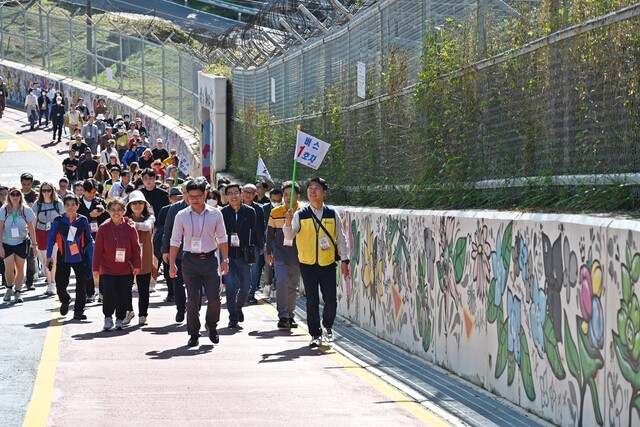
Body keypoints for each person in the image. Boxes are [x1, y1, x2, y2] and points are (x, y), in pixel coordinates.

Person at [283, 177, 350, 347]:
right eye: (310, 188)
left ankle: (327, 325)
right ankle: (315, 334)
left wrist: (345, 260)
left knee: (331, 301)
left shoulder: (332, 213)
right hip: (307, 263)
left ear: (324, 192)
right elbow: (289, 237)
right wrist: (288, 223)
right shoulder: (300, 214)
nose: (313, 191)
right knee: (311, 300)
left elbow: (341, 239)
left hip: (327, 264)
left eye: (317, 188)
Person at [169, 177, 228, 347]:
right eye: (192, 196)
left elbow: (222, 238)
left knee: (214, 298)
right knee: (193, 300)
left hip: (210, 260)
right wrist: (172, 263)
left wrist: (225, 260)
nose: (195, 200)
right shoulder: (181, 215)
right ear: (187, 196)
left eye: (199, 196)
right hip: (189, 261)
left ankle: (211, 325)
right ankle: (193, 333)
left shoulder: (216, 213)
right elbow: (175, 241)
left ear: (205, 194)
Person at [92, 198, 141, 331]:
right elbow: (97, 250)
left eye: (119, 209)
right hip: (107, 268)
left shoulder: (130, 228)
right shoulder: (103, 228)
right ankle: (108, 317)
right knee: (109, 293)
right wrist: (95, 268)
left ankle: (120, 318)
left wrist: (138, 264)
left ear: (124, 211)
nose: (116, 213)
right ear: (108, 211)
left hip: (126, 268)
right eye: (113, 210)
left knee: (124, 294)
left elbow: (136, 248)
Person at [46, 194, 92, 319]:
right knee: (60, 285)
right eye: (67, 205)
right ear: (64, 206)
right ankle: (65, 300)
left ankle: (79, 311)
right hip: (63, 259)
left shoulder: (83, 220)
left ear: (77, 206)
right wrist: (49, 256)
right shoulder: (58, 221)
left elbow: (89, 239)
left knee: (81, 286)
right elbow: (51, 239)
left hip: (80, 259)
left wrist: (91, 257)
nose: (70, 207)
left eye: (73, 205)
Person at [220, 183, 257, 328]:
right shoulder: (222, 213)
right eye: (230, 193)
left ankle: (238, 307)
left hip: (244, 256)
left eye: (236, 192)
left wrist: (253, 249)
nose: (233, 196)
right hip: (227, 255)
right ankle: (233, 317)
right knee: (230, 287)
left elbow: (254, 232)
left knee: (246, 286)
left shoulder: (250, 212)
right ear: (226, 196)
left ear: (241, 194)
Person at [266, 182, 300, 328]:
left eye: (291, 195)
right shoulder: (275, 212)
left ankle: (290, 315)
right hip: (280, 254)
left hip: (298, 255)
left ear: (298, 196)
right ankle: (282, 315)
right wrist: (268, 252)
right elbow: (270, 234)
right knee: (281, 282)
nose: (288, 198)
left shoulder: (302, 212)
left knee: (293, 285)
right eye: (285, 194)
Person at [124, 191, 155, 325]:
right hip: (128, 256)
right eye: (134, 203)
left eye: (140, 203)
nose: (137, 205)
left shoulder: (150, 218)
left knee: (143, 289)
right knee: (125, 287)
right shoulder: (124, 219)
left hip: (145, 256)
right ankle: (128, 311)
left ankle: (143, 314)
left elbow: (147, 226)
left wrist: (134, 225)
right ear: (130, 205)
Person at [0, 188, 37, 304]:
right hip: (7, 242)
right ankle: (9, 287)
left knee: (20, 268)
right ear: (9, 196)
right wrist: (0, 245)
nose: (15, 196)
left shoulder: (26, 210)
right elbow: (0, 229)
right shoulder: (4, 210)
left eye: (17, 194)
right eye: (12, 194)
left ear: (20, 196)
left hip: (22, 242)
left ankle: (18, 291)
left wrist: (34, 246)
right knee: (9, 268)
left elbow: (31, 228)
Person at [78, 179, 109, 303]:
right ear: (83, 191)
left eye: (94, 192)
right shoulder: (78, 203)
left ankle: (102, 292)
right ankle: (89, 293)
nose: (91, 195)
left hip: (100, 237)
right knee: (87, 266)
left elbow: (109, 217)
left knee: (101, 266)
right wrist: (90, 216)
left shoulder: (100, 202)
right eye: (89, 192)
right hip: (84, 239)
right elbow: (75, 218)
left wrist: (103, 211)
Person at [162, 183, 189, 321]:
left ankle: (194, 310)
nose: (188, 195)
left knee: (195, 285)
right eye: (185, 192)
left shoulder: (203, 209)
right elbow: (167, 230)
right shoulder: (174, 209)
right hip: (177, 252)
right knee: (178, 284)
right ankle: (180, 308)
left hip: (196, 254)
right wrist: (165, 251)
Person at [33, 182, 64, 296]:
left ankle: (53, 283)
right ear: (41, 192)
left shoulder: (58, 203)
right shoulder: (38, 204)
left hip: (55, 233)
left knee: (53, 259)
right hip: (41, 232)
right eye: (44, 190)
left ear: (52, 190)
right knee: (46, 259)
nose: (46, 193)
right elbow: (33, 221)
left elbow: (64, 217)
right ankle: (49, 284)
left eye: (48, 190)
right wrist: (33, 238)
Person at [241, 184, 264, 305]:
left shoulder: (258, 209)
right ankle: (240, 292)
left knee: (254, 271)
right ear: (242, 192)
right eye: (246, 192)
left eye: (251, 192)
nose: (248, 194)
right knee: (240, 269)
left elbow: (261, 227)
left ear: (255, 194)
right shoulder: (235, 206)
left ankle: (251, 294)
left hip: (253, 244)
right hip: (237, 245)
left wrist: (261, 245)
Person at [20, 173, 38, 291]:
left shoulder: (36, 196)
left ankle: (30, 282)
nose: (26, 187)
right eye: (24, 184)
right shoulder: (17, 194)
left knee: (31, 258)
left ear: (32, 183)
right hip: (18, 231)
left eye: (28, 184)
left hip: (32, 229)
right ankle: (18, 281)